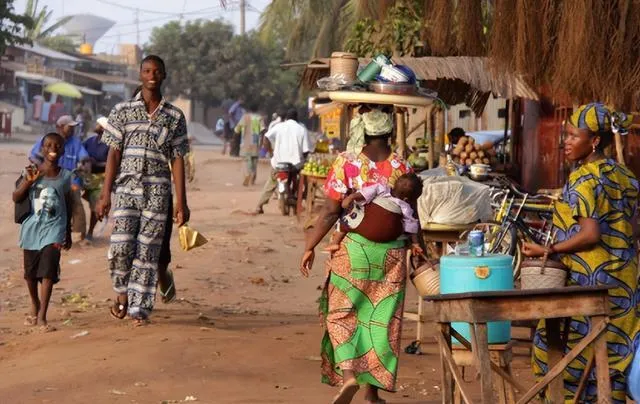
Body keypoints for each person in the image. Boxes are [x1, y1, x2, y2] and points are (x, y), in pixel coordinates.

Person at [522, 103, 639, 403]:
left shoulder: (583, 178)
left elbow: (590, 234)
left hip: (590, 285)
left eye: (575, 136)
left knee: (554, 351)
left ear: (595, 141)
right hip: (624, 284)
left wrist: (549, 249)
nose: (567, 142)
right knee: (611, 361)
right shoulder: (625, 176)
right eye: (567, 135)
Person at [300, 107, 413, 404]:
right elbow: (414, 214)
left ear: (362, 132)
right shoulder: (402, 166)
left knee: (342, 312)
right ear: (389, 133)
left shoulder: (347, 163)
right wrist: (419, 248)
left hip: (354, 251)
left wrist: (310, 245)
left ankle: (349, 376)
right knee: (381, 320)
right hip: (392, 255)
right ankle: (371, 394)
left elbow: (330, 212)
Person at [96, 55, 190, 325]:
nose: (152, 75)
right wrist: (105, 195)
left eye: (157, 71)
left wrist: (181, 202)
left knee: (148, 251)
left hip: (159, 193)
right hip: (126, 190)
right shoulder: (122, 111)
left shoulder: (174, 116)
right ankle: (122, 294)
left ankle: (140, 308)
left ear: (163, 75)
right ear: (140, 74)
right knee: (120, 246)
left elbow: (177, 159)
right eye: (147, 70)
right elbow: (113, 156)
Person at [13, 132, 72, 332]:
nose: (53, 149)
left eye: (57, 146)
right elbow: (16, 197)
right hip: (31, 229)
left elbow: (68, 204)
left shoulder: (66, 176)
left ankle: (42, 316)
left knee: (48, 271)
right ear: (42, 148)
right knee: (30, 275)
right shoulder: (31, 171)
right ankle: (34, 303)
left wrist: (68, 232)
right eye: (48, 145)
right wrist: (29, 181)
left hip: (54, 229)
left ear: (63, 149)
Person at [325, 173, 423, 255]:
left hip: (365, 227)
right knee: (403, 233)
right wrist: (415, 243)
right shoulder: (406, 206)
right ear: (408, 199)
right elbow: (412, 225)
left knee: (347, 220)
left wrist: (351, 197)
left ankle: (335, 242)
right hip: (389, 236)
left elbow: (364, 194)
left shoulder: (382, 188)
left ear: (395, 182)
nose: (403, 183)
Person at [29, 115, 90, 242]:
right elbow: (33, 156)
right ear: (60, 127)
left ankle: (81, 234)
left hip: (71, 180)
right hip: (49, 179)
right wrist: (40, 166)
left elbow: (84, 157)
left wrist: (85, 164)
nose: (73, 130)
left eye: (74, 127)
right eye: (70, 127)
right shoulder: (46, 140)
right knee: (42, 201)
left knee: (76, 201)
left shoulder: (76, 142)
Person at [254, 108, 311, 214]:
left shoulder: (279, 127)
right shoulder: (301, 129)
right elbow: (306, 150)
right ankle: (298, 200)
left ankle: (259, 206)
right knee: (301, 181)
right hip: (295, 164)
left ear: (286, 118)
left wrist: (270, 153)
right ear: (296, 118)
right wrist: (303, 160)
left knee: (271, 182)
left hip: (278, 162)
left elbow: (266, 137)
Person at [82, 116, 110, 240]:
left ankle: (90, 232)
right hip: (86, 176)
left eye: (98, 124)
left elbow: (110, 163)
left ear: (103, 129)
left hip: (100, 178)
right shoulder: (90, 141)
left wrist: (96, 163)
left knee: (95, 204)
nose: (96, 125)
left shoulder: (109, 144)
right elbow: (81, 153)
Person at [235, 102, 265, 186]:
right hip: (256, 143)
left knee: (247, 160)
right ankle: (253, 178)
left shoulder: (245, 117)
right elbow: (263, 130)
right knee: (254, 161)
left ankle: (248, 173)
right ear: (257, 109)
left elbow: (237, 129)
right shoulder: (259, 118)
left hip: (246, 143)